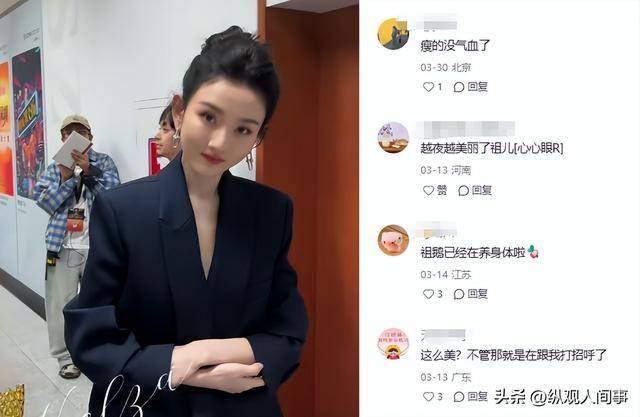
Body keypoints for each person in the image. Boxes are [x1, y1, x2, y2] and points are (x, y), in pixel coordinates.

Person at [64, 27, 308, 417]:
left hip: (242, 407)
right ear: (179, 111)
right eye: (208, 116)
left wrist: (204, 353)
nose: (220, 142)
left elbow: (287, 332)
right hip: (148, 405)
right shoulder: (122, 210)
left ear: (259, 135)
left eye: (243, 129)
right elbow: (92, 336)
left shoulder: (270, 212)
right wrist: (185, 367)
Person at [34, 114, 120, 379]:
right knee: (60, 304)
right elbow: (45, 202)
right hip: (61, 247)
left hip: (98, 247)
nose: (73, 138)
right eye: (68, 134)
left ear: (90, 138)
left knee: (99, 303)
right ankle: (65, 358)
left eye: (80, 133)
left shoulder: (103, 162)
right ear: (62, 139)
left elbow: (115, 196)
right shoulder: (54, 168)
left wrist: (90, 173)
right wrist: (66, 177)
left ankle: (97, 352)